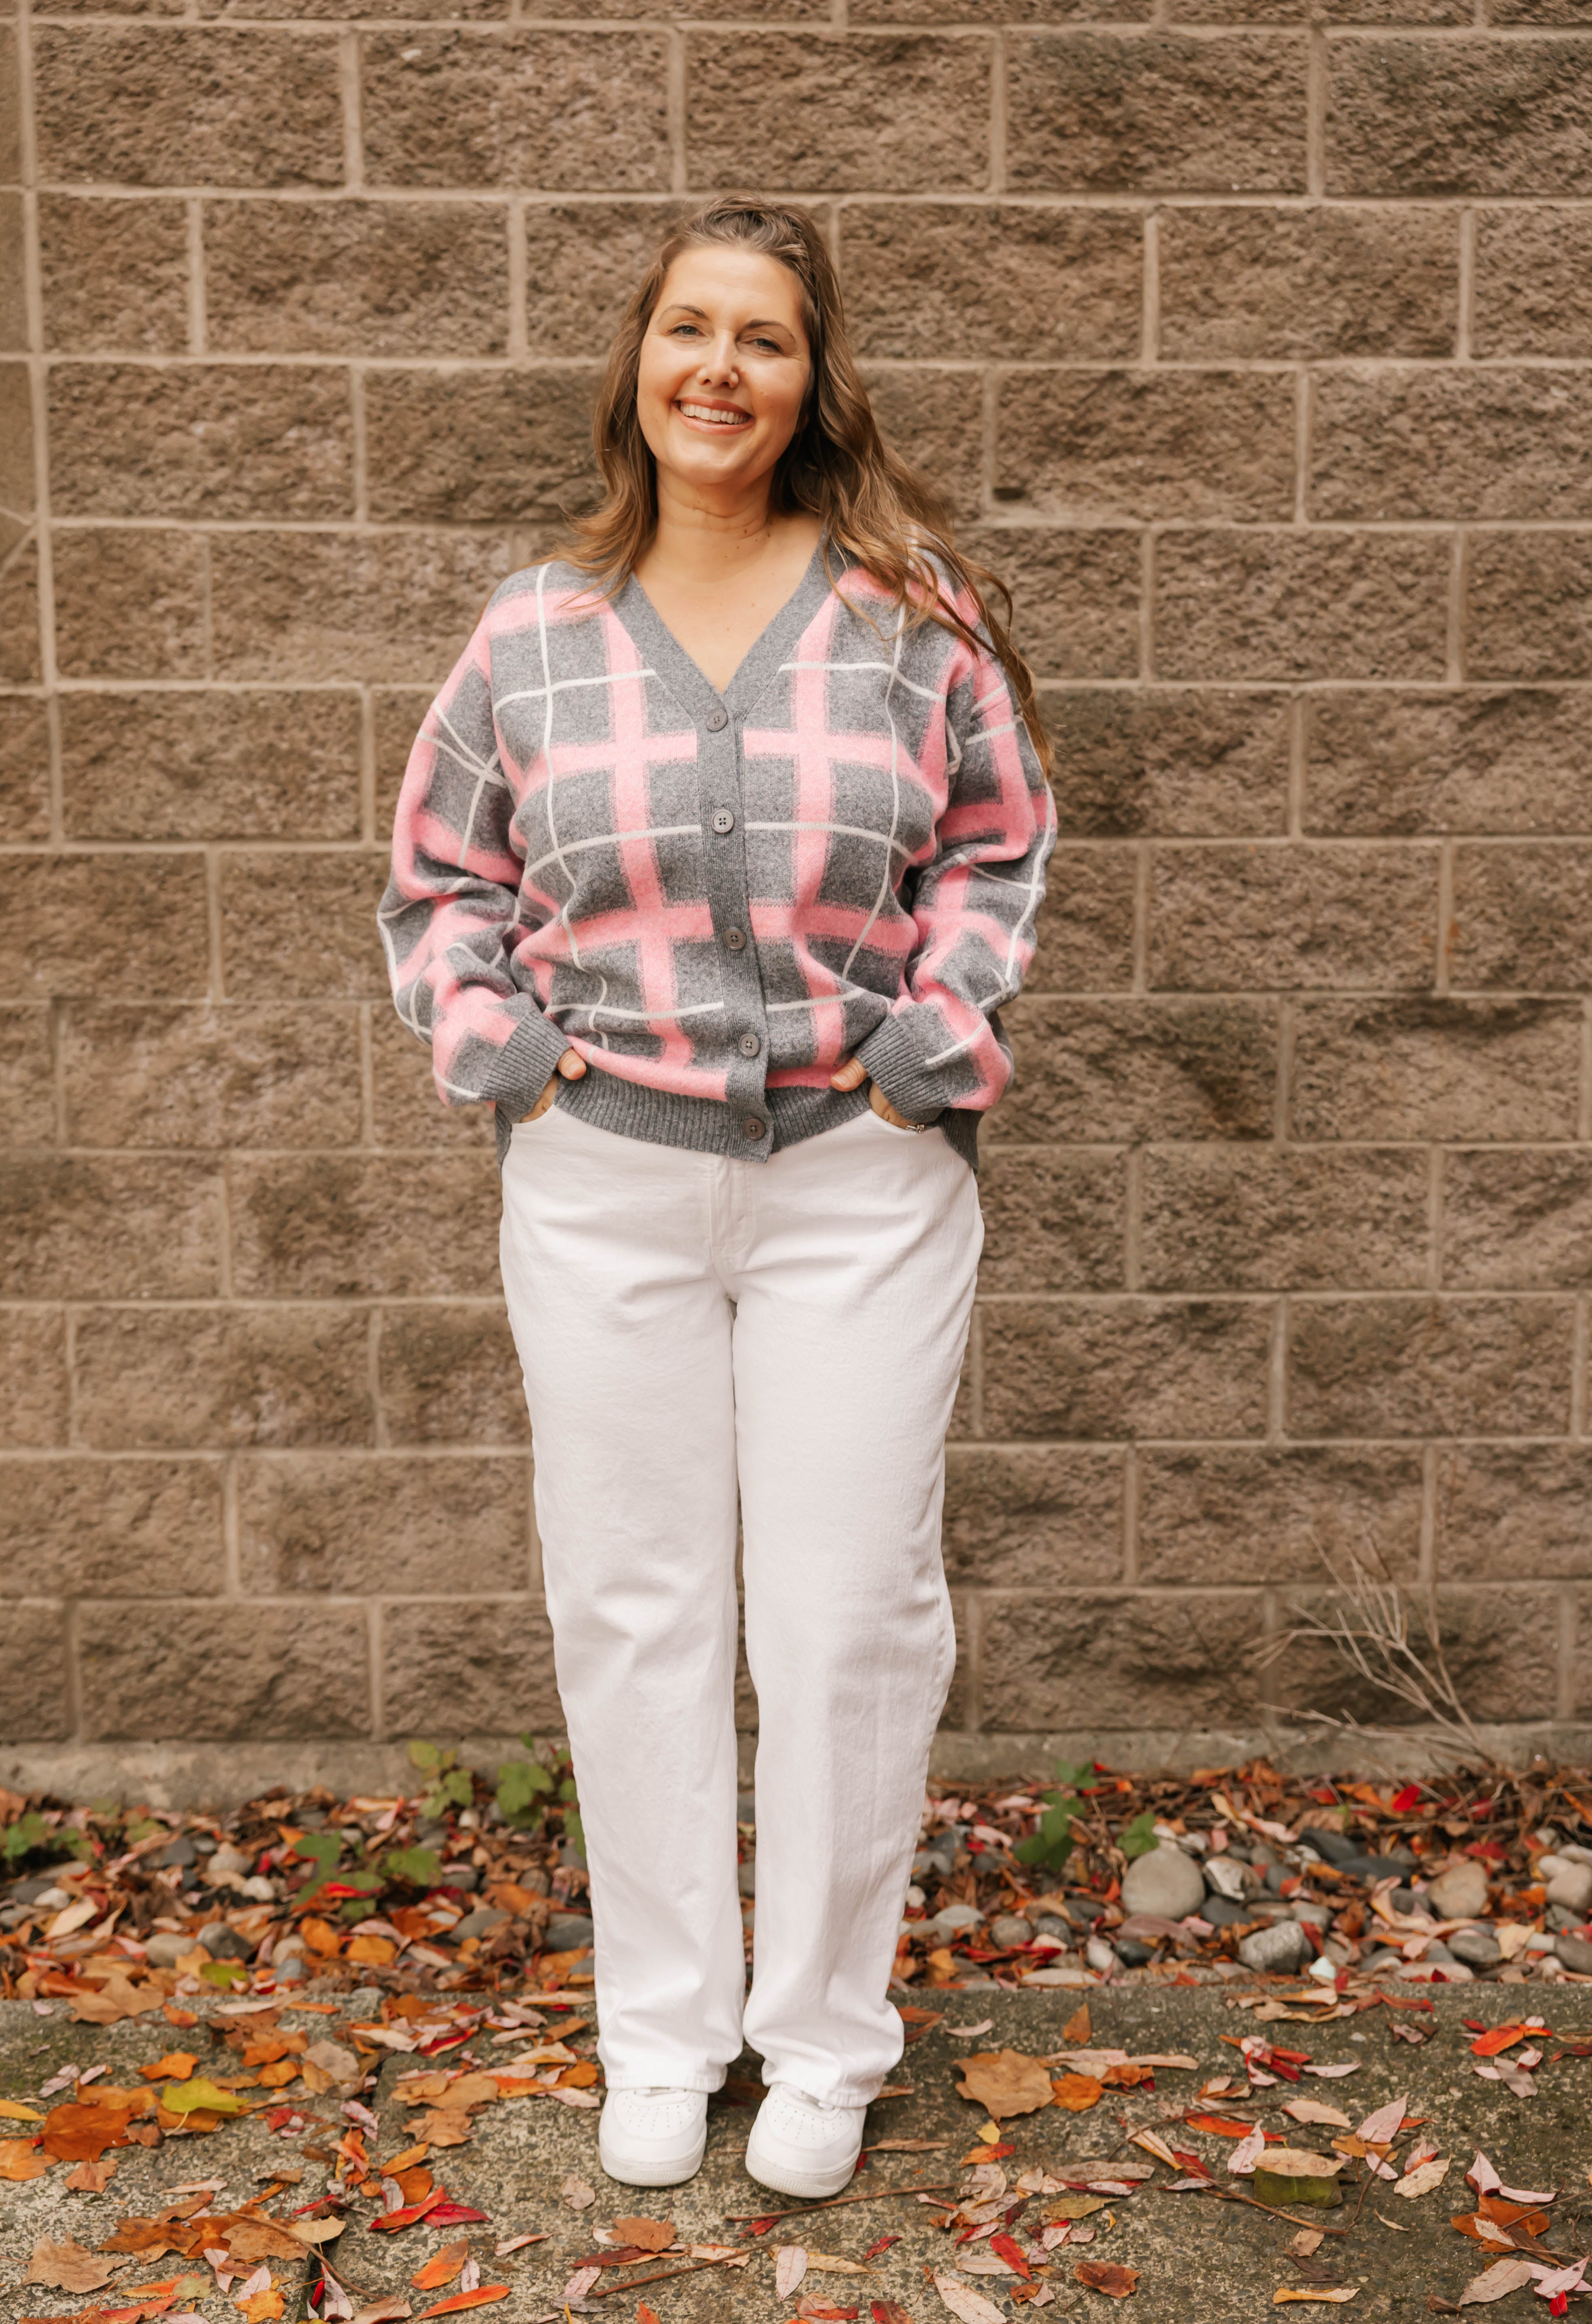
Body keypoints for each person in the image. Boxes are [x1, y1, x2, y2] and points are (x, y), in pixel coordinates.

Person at [378, 196, 1055, 2201]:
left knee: (848, 1620)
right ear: (639, 361)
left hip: (860, 1185)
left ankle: (826, 2039)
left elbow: (997, 848)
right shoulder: (535, 629)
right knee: (633, 1608)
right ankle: (663, 2033)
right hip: (604, 1185)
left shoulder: (912, 615)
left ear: (809, 379)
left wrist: (931, 1042)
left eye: (763, 337)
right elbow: (440, 881)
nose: (720, 369)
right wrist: (504, 1054)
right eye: (690, 327)